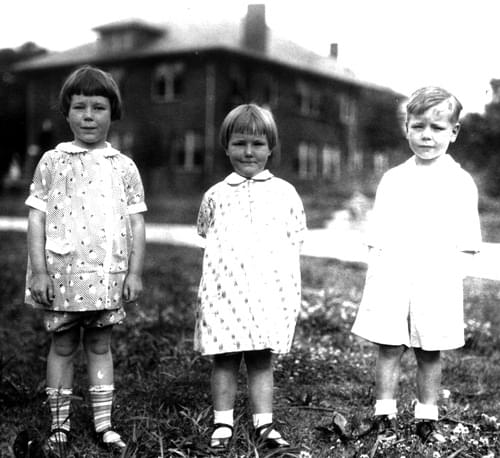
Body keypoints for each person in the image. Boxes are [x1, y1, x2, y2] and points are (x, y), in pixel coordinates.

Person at [24, 65, 147, 453]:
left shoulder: (123, 166)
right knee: (62, 346)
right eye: (80, 107)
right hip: (62, 274)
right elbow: (36, 217)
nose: (89, 116)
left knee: (99, 345)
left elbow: (137, 223)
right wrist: (39, 272)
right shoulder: (53, 161)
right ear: (67, 112)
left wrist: (134, 272)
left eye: (98, 107)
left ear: (113, 112)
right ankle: (59, 425)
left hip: (106, 276)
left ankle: (103, 423)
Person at [351, 86, 482, 444]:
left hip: (436, 280)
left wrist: (450, 276)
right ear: (406, 127)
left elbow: (468, 241)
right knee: (389, 346)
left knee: (429, 349)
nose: (427, 135)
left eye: (437, 128)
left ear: (454, 132)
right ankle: (384, 414)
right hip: (393, 276)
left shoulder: (459, 182)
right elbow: (378, 235)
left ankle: (427, 416)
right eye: (418, 126)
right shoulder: (394, 178)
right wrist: (380, 271)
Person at [195, 104, 307, 451]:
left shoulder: (285, 193)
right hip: (224, 290)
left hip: (267, 292)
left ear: (270, 148)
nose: (248, 152)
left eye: (257, 144)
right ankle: (222, 422)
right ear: (226, 146)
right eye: (239, 143)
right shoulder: (215, 194)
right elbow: (205, 232)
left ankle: (264, 423)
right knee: (225, 358)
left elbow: (296, 238)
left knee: (261, 358)